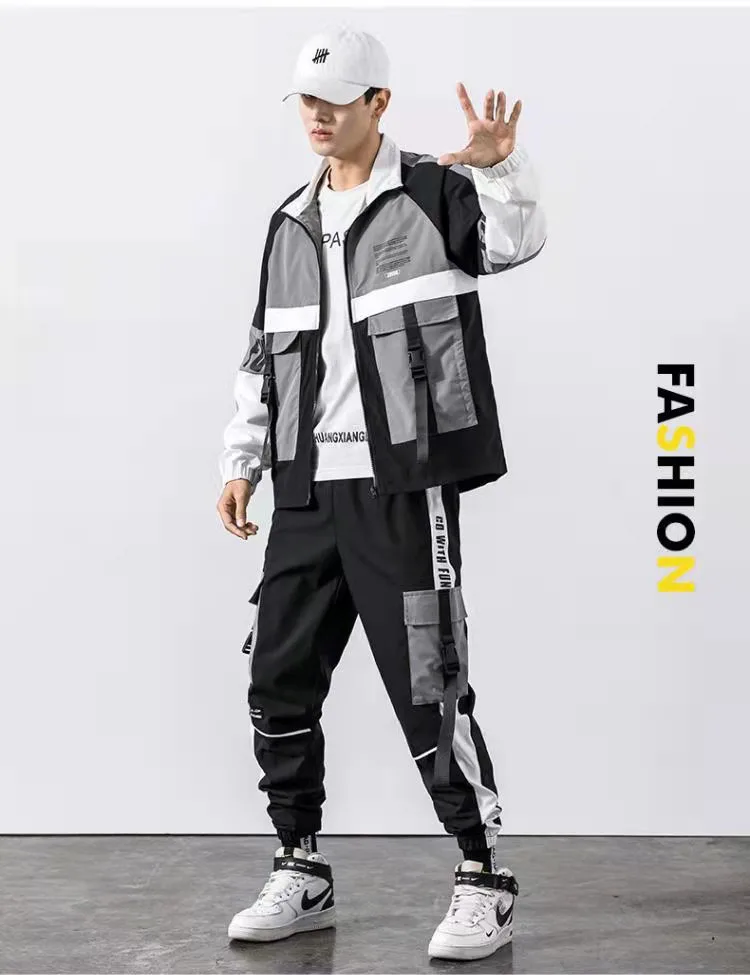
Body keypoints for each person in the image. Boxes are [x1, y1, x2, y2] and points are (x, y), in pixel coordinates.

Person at [216, 24, 547, 962]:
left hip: (402, 483)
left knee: (429, 682)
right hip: (305, 487)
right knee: (277, 676)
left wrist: (500, 165)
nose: (317, 117)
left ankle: (484, 874)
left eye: (336, 101)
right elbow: (264, 353)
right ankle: (300, 863)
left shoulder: (434, 193)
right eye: (306, 102)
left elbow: (517, 242)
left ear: (379, 104)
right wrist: (243, 460)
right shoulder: (288, 220)